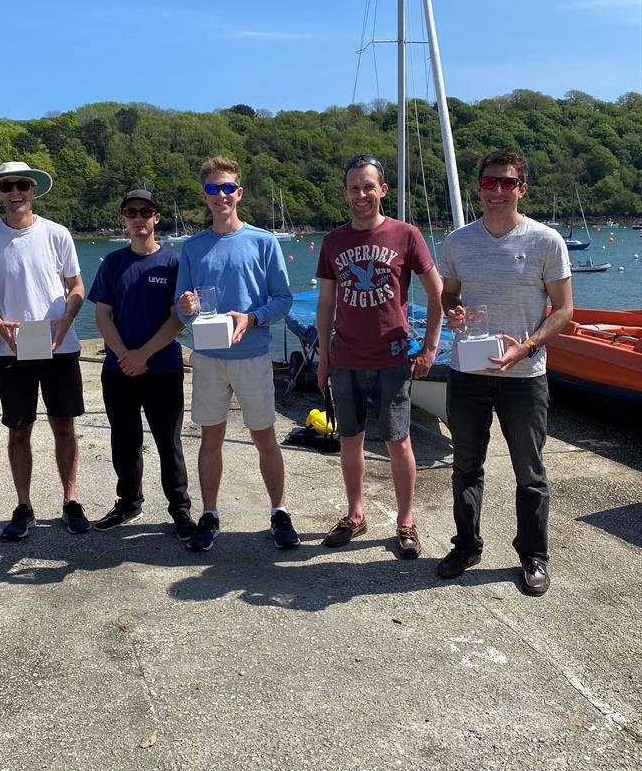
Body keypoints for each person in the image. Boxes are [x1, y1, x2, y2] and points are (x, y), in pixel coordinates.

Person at [439, 149, 572, 596]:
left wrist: (528, 346)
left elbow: (564, 310)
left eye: (507, 183)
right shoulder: (458, 241)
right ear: (478, 187)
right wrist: (452, 314)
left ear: (521, 189)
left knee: (530, 472)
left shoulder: (545, 241)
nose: (497, 191)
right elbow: (449, 297)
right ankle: (467, 545)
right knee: (465, 465)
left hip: (526, 375)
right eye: (489, 182)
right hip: (468, 371)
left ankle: (533, 556)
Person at [316, 154, 443, 554]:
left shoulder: (406, 235)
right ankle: (356, 514)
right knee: (349, 441)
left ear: (382, 190)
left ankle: (406, 522)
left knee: (398, 442)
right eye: (354, 187)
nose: (361, 194)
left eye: (368, 186)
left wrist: (430, 347)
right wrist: (323, 357)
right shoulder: (333, 241)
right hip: (346, 358)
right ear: (345, 193)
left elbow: (436, 292)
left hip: (392, 358)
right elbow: (325, 302)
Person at [176, 155, 298, 553]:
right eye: (213, 188)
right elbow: (181, 309)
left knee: (264, 436)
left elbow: (282, 300)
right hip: (209, 356)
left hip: (252, 355)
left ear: (239, 193)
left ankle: (279, 511)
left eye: (228, 187)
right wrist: (188, 308)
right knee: (210, 437)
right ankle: (209, 515)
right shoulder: (192, 248)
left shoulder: (263, 242)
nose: (221, 195)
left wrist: (252, 317)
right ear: (204, 195)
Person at [0, 161, 90, 539]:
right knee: (19, 429)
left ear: (34, 190)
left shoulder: (57, 234)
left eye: (22, 185)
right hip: (12, 350)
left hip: (60, 346)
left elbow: (77, 286)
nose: (15, 192)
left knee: (63, 425)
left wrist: (67, 319)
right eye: (7, 187)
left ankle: (70, 501)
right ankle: (24, 506)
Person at [88, 187, 195, 540]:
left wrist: (143, 354)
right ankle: (128, 502)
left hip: (162, 367)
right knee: (125, 439)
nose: (138, 218)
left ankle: (180, 509)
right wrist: (124, 355)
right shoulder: (113, 263)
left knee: (169, 441)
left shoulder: (173, 263)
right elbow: (102, 314)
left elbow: (177, 318)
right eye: (131, 212)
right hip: (119, 370)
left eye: (144, 212)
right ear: (123, 219)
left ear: (156, 218)